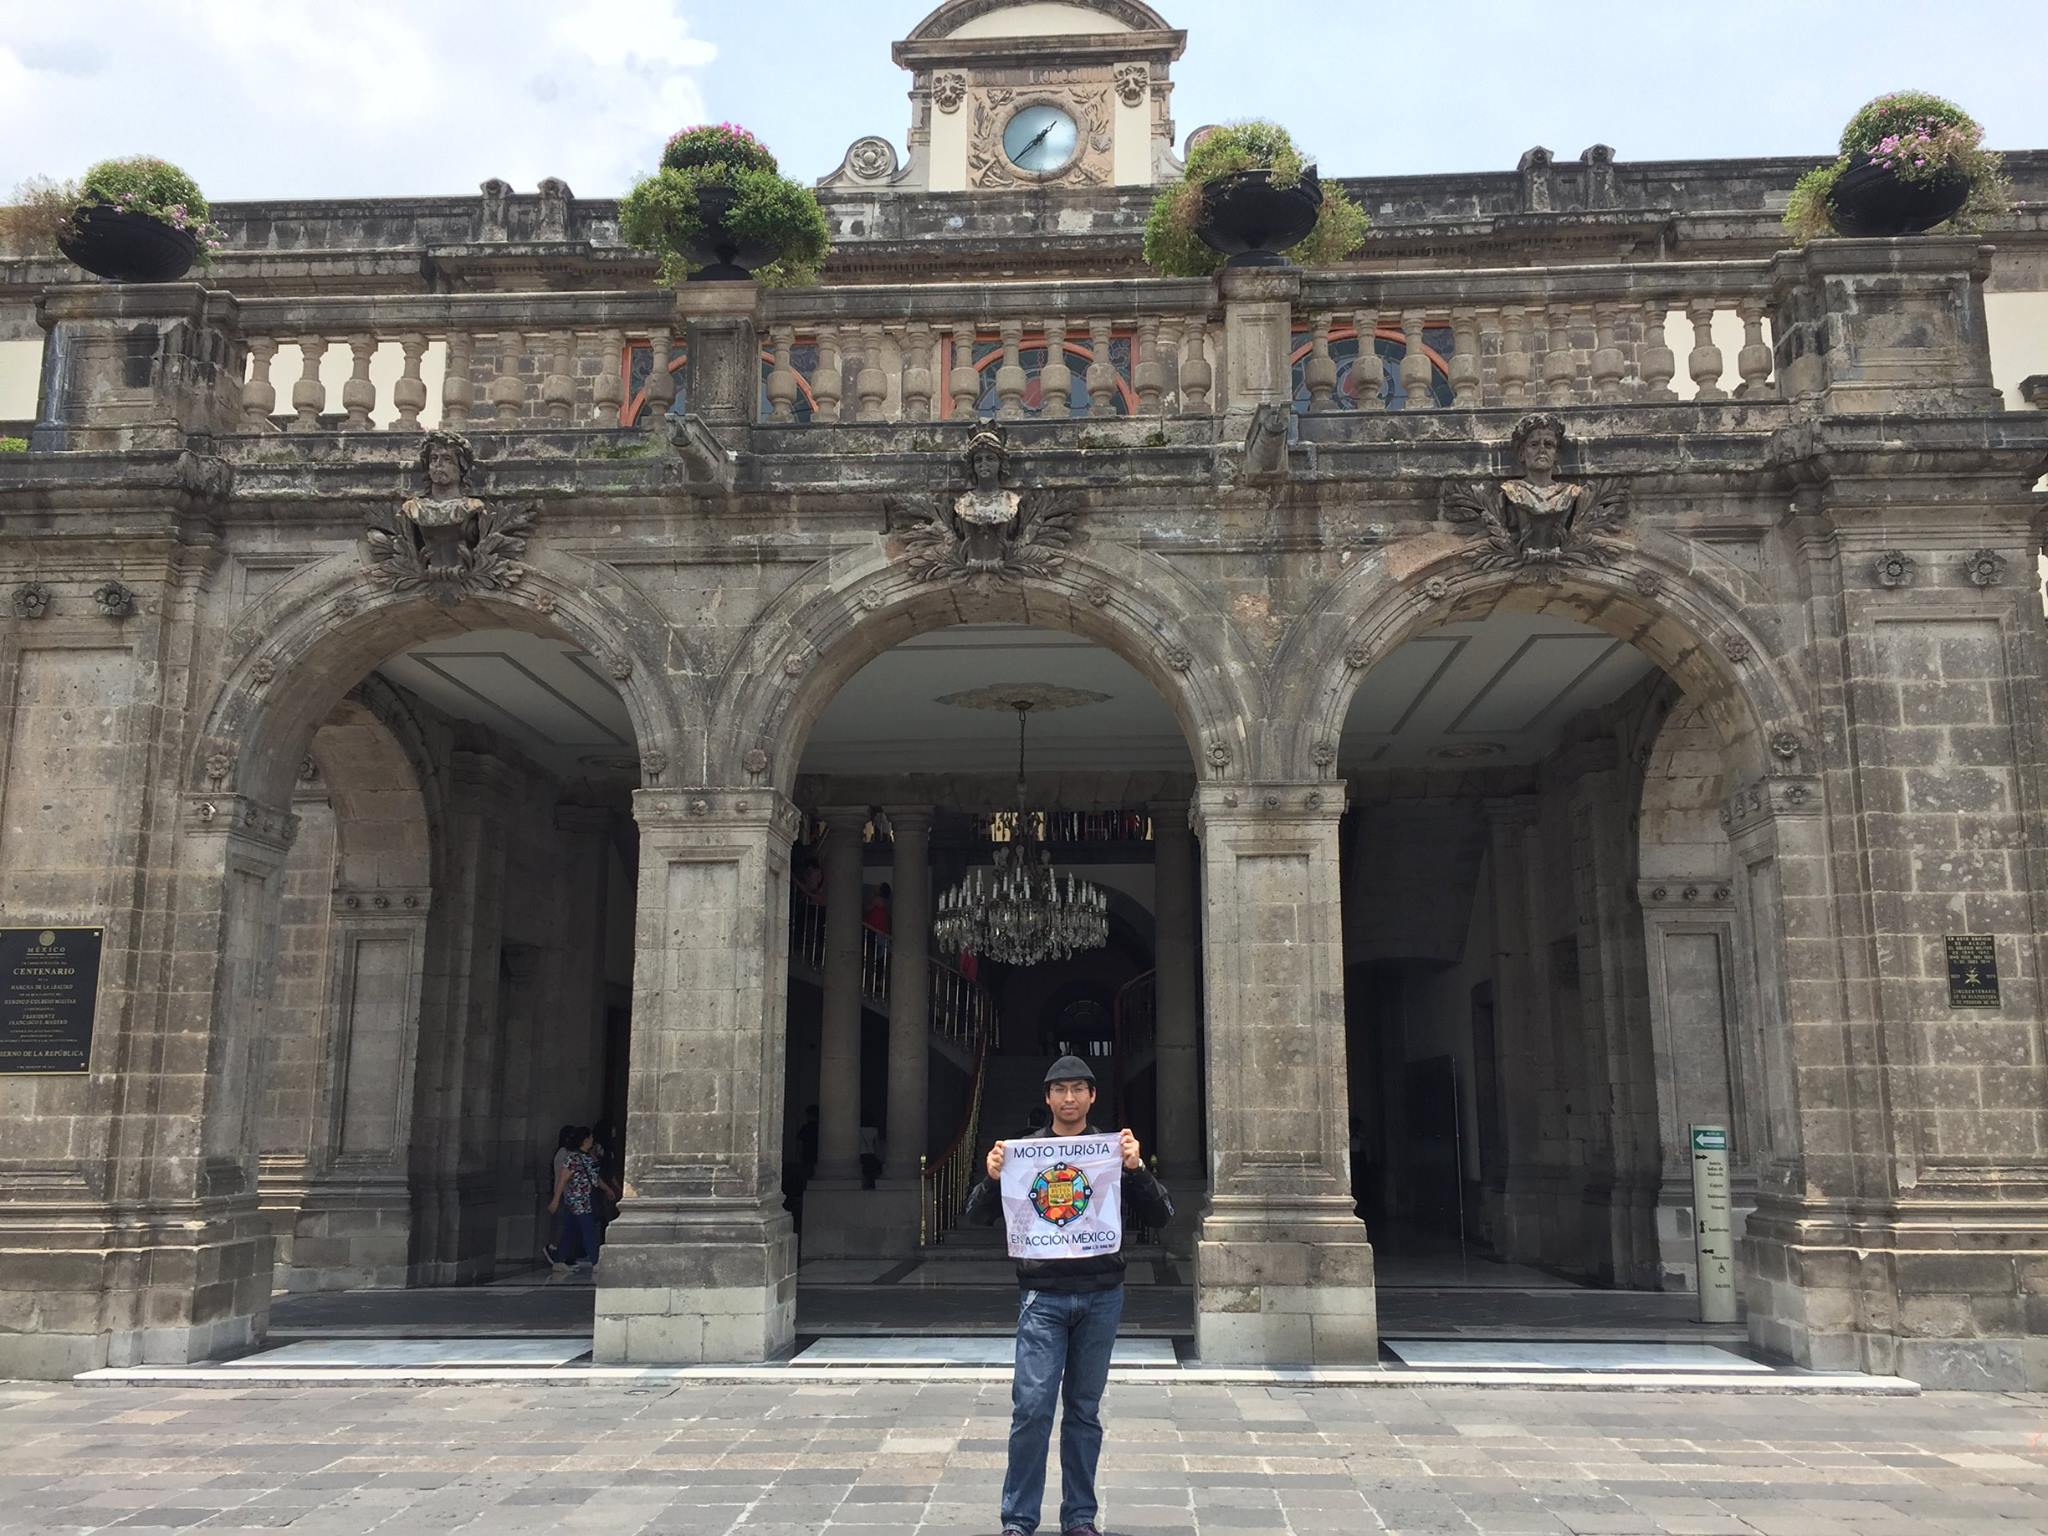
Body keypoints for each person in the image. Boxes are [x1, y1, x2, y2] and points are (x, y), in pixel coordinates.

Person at [964, 1055, 1173, 1536]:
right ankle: (1018, 1520)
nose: (1069, 1099)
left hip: (1102, 1295)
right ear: (1047, 1098)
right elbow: (977, 1217)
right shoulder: (1024, 1155)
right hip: (1043, 1298)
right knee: (1032, 1408)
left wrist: (1137, 1168)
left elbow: (1161, 1216)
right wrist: (992, 1177)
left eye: (1079, 1089)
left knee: (1083, 1410)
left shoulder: (1111, 1151)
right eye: (1060, 1090)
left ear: (1092, 1096)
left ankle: (1080, 1517)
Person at [545, 1126, 616, 1274]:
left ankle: (559, 1260)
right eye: (590, 1138)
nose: (592, 1140)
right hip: (578, 1200)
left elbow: (595, 1179)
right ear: (585, 1140)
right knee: (588, 1231)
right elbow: (563, 1179)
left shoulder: (587, 1157)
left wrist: (607, 1189)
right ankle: (596, 1261)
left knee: (569, 1231)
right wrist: (556, 1199)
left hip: (584, 1199)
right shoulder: (573, 1158)